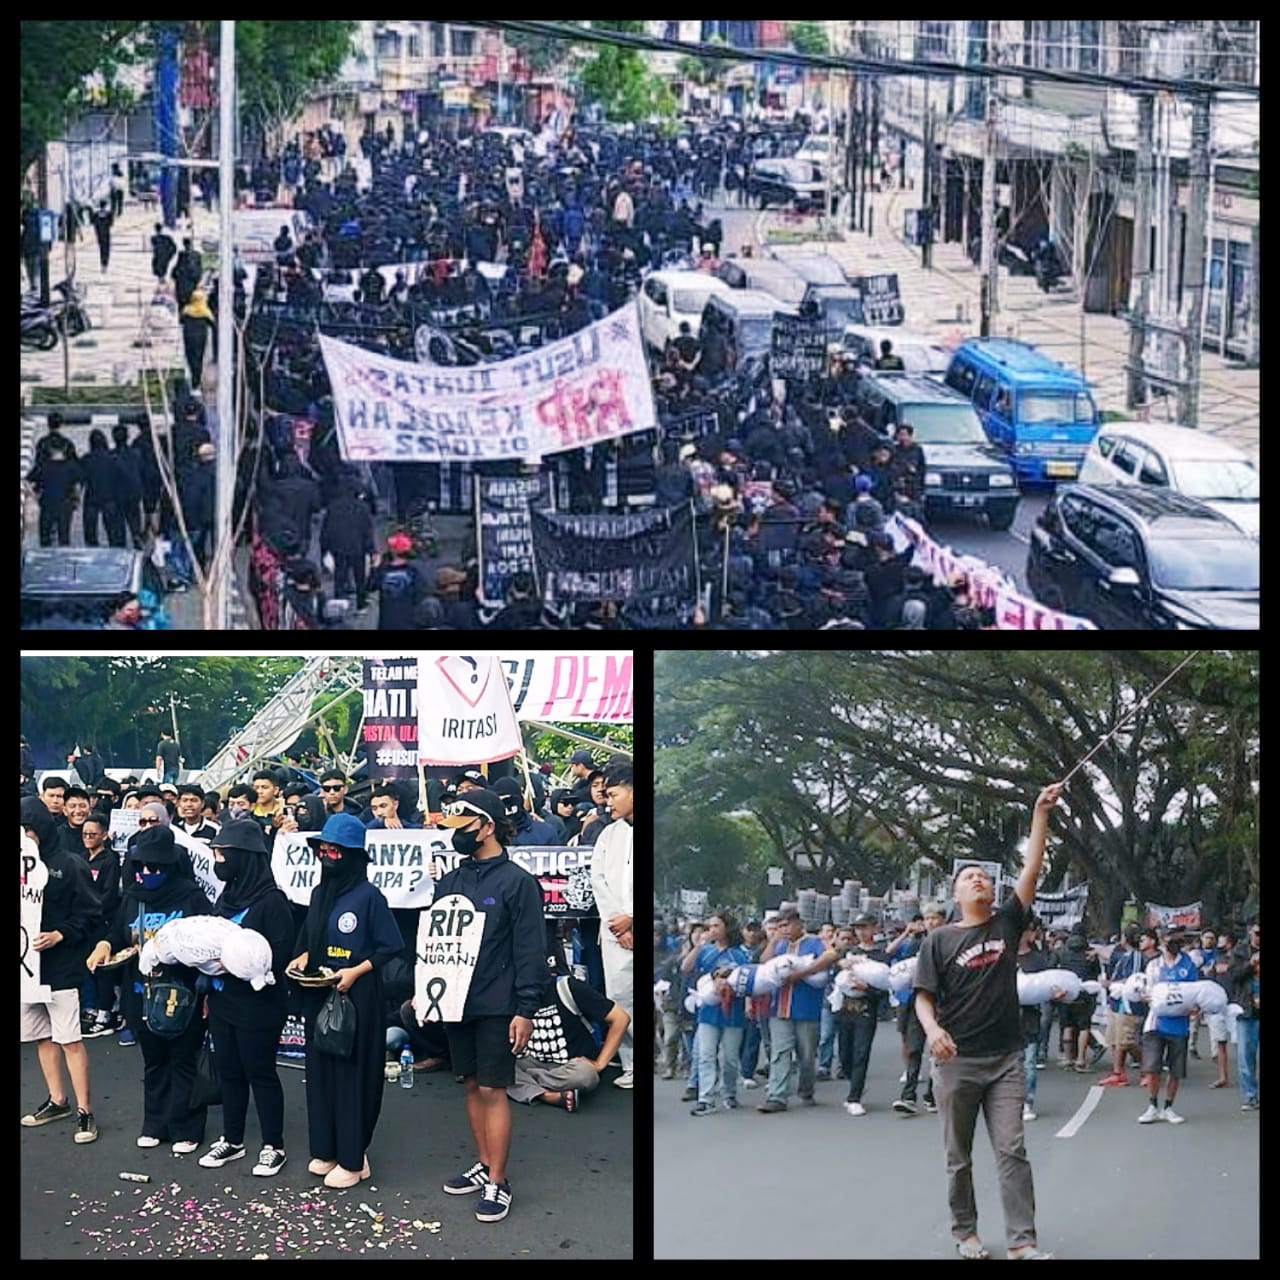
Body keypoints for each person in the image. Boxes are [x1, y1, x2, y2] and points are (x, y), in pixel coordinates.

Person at [912, 783, 1063, 1261]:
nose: (979, 880)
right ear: (956, 893)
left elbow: (1031, 869)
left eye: (983, 876)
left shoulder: (1007, 923)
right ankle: (966, 1232)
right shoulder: (938, 940)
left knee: (1012, 1150)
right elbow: (922, 998)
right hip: (957, 1061)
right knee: (958, 1156)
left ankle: (1022, 1241)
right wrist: (934, 1030)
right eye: (969, 877)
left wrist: (1040, 814)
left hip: (1005, 1060)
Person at [434, 789, 547, 1223]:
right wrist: (428, 991)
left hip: (499, 1004)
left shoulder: (518, 882)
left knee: (492, 1089)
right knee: (469, 1083)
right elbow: (435, 943)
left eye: (464, 827)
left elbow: (530, 950)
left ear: (487, 827)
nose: (456, 836)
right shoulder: (450, 880)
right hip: (455, 1000)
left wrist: (526, 1009)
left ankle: (498, 1180)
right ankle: (484, 1164)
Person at [287, 813, 402, 1187]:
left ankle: (354, 1158)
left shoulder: (370, 897)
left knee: (353, 1076)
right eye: (323, 850)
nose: (327, 857)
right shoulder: (319, 893)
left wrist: (355, 972)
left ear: (352, 855)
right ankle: (327, 1149)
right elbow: (312, 937)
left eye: (335, 851)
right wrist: (303, 956)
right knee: (321, 1073)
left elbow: (390, 947)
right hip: (320, 993)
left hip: (358, 997)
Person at [86, 819, 212, 1151]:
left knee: (182, 1060)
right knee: (154, 1061)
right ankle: (155, 1124)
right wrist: (104, 945)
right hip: (140, 993)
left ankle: (186, 1127)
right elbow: (117, 933)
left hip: (182, 993)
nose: (146, 872)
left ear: (170, 865)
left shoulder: (192, 898)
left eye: (154, 866)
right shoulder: (132, 896)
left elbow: (209, 943)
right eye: (140, 865)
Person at [196, 819, 295, 1176]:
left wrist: (241, 962)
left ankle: (273, 1145)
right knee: (229, 1071)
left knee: (260, 1072)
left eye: (224, 854)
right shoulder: (226, 896)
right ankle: (233, 1139)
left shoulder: (272, 901)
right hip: (222, 1000)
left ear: (246, 857)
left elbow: (281, 954)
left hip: (259, 1003)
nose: (218, 861)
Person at [20, 795, 101, 1145]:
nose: (25, 835)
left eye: (28, 828)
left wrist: (60, 934)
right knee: (42, 1036)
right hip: (27, 968)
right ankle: (57, 1100)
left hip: (61, 967)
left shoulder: (69, 864)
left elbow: (92, 914)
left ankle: (85, 1111)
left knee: (69, 1039)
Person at [508, 969, 631, 1114]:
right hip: (531, 1060)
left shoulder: (568, 987)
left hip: (572, 1066)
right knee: (493, 1067)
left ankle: (529, 1086)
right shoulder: (510, 994)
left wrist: (600, 1063)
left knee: (585, 1076)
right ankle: (548, 1096)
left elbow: (621, 1019)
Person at [756, 908, 834, 1113]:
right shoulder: (780, 945)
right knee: (779, 1052)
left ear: (799, 924)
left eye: (787, 925)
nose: (784, 929)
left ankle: (806, 1090)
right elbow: (763, 963)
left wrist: (802, 973)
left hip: (806, 1008)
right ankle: (777, 1096)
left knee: (806, 1055)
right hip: (779, 1008)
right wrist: (773, 941)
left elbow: (831, 955)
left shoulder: (814, 942)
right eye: (780, 926)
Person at [590, 763, 634, 1088]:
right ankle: (630, 1063)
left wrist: (632, 915)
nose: (608, 803)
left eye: (614, 794)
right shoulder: (608, 834)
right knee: (620, 994)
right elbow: (598, 880)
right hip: (615, 931)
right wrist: (620, 923)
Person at [682, 910, 751, 1115]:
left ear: (726, 928)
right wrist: (698, 946)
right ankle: (706, 1098)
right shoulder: (706, 951)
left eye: (716, 926)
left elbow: (747, 980)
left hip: (732, 1011)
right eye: (709, 926)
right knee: (706, 1055)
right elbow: (686, 967)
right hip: (708, 1010)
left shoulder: (739, 954)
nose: (711, 930)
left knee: (729, 1057)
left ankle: (729, 1092)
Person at [1137, 929, 1199, 1125]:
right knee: (1152, 1067)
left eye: (1175, 942)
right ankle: (1152, 1105)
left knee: (1175, 1070)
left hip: (1179, 1025)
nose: (1171, 946)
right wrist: (1145, 996)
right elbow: (1148, 991)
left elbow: (1195, 992)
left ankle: (1168, 1107)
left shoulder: (1188, 965)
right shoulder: (1154, 966)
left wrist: (1195, 1007)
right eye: (1168, 942)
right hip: (1156, 1024)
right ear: (1161, 943)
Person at [76, 812, 123, 1038]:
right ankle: (92, 1008)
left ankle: (106, 1013)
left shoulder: (110, 861)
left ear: (104, 835)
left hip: (102, 922)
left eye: (92, 834)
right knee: (88, 968)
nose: (88, 837)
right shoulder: (81, 858)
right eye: (85, 834)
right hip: (83, 922)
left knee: (103, 969)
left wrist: (91, 911)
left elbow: (109, 895)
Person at [838, 912, 889, 1117]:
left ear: (874, 928)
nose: (861, 932)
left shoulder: (881, 955)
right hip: (846, 1008)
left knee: (861, 1052)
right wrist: (840, 966)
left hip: (866, 1010)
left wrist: (866, 988)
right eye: (857, 928)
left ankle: (854, 1097)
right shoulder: (848, 952)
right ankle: (854, 1083)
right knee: (845, 1055)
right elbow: (835, 975)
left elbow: (886, 988)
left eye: (864, 927)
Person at [1014, 916, 1060, 1122]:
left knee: (1029, 1063)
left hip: (1030, 1017)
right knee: (1008, 1064)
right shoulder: (1001, 956)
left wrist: (1055, 994)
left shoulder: (1039, 959)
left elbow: (1047, 984)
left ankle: (1027, 1102)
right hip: (1004, 1018)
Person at [1098, 925, 1145, 1087]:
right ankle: (1118, 1072)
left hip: (1127, 1002)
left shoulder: (1136, 956)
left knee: (1126, 1040)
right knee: (1114, 1039)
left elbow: (1134, 979)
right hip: (1116, 1000)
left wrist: (1111, 983)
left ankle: (1149, 1068)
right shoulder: (1124, 955)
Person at [1229, 924, 1259, 1110]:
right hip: (1247, 1010)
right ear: (1250, 933)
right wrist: (1251, 964)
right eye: (1257, 933)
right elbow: (1233, 976)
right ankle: (1250, 1096)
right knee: (1246, 1057)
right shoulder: (1240, 951)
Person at [491, 776, 559, 846]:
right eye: (500, 801)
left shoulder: (545, 833)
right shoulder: (488, 834)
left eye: (508, 800)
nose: (506, 806)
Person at [181, 289, 217, 391]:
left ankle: (194, 379)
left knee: (190, 358)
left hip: (188, 337)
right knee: (199, 358)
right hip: (200, 338)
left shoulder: (187, 310)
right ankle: (196, 382)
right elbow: (214, 324)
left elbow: (181, 320)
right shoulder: (205, 312)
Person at [173, 238, 203, 309]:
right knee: (187, 302)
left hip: (186, 283)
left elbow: (176, 270)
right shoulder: (194, 255)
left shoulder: (184, 255)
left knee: (185, 303)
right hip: (187, 283)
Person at [90, 199, 113, 272]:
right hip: (106, 234)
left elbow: (92, 222)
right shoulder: (108, 214)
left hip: (99, 234)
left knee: (101, 249)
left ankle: (103, 264)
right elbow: (111, 224)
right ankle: (105, 264)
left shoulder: (96, 214)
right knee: (106, 250)